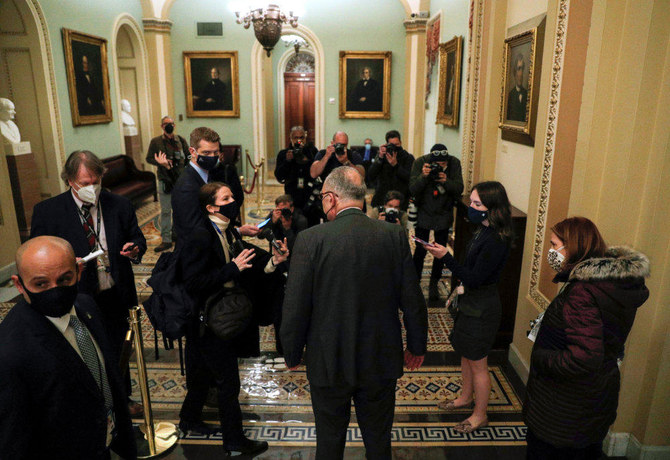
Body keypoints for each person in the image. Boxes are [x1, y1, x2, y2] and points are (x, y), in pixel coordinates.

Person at [281, 167, 427, 459]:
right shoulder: (393, 235)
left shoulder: (310, 239)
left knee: (329, 442)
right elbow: (412, 298)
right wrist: (416, 346)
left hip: (328, 361)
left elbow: (295, 307)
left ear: (332, 199)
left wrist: (293, 353)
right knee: (378, 442)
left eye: (323, 198)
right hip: (380, 359)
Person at [30, 149, 147, 417]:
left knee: (120, 347)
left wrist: (135, 249)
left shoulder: (120, 205)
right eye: (85, 183)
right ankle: (91, 402)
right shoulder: (48, 212)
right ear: (69, 180)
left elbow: (138, 239)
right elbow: (37, 257)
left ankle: (122, 398)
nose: (91, 188)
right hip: (77, 296)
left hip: (116, 291)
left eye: (96, 181)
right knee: (84, 351)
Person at [523, 217, 650, 459]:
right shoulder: (610, 285)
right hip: (593, 399)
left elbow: (584, 357)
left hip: (563, 409)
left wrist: (543, 358)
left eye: (554, 245)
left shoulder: (583, 292)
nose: (550, 251)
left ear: (572, 248)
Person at [0, 236, 137, 459]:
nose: (55, 291)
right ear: (19, 284)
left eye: (64, 279)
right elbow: (13, 442)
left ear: (78, 271)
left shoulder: (86, 305)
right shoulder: (9, 352)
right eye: (41, 284)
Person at [178, 182, 288, 456]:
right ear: (211, 207)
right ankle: (235, 443)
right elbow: (192, 282)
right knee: (229, 383)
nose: (233, 200)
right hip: (207, 322)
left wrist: (273, 261)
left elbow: (248, 264)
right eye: (226, 198)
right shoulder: (200, 236)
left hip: (216, 317)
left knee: (202, 374)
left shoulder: (225, 231)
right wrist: (231, 268)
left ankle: (189, 419)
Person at [424, 181, 513, 434]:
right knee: (466, 353)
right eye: (471, 202)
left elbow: (474, 278)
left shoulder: (496, 239)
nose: (471, 208)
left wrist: (445, 257)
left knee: (479, 363)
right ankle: (465, 397)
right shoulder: (483, 229)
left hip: (482, 308)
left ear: (492, 208)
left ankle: (479, 414)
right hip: (472, 301)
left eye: (477, 204)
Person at [171, 127, 259, 250]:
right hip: (199, 255)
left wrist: (238, 231)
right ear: (192, 151)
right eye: (206, 153)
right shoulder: (186, 187)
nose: (212, 157)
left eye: (216, 152)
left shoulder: (209, 174)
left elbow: (213, 223)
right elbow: (194, 232)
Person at [409, 144, 464, 300]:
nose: (440, 167)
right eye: (437, 165)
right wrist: (423, 176)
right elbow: (413, 189)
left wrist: (446, 181)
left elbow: (459, 188)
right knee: (420, 249)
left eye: (443, 164)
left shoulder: (454, 163)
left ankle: (434, 282)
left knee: (440, 251)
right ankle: (414, 282)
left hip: (443, 213)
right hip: (424, 211)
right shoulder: (420, 162)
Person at [146, 116, 189, 252]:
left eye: (171, 124)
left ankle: (178, 235)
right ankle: (166, 240)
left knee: (180, 210)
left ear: (174, 126)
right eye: (165, 124)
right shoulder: (156, 142)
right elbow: (148, 158)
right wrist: (160, 163)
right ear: (161, 126)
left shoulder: (181, 140)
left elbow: (188, 157)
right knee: (165, 211)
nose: (168, 126)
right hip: (165, 180)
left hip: (180, 180)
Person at [274, 126, 319, 224]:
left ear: (305, 138)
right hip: (292, 196)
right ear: (290, 139)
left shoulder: (312, 151)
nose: (299, 140)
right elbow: (279, 176)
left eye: (302, 137)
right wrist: (287, 161)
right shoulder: (284, 154)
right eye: (296, 138)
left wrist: (307, 158)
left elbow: (317, 172)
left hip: (310, 197)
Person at [368, 130, 414, 210]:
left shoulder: (408, 158)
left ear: (401, 142)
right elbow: (370, 176)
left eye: (397, 144)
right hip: (381, 200)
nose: (395, 148)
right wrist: (380, 158)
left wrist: (396, 165)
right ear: (387, 144)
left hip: (400, 202)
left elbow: (410, 178)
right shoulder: (382, 157)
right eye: (392, 145)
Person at [507, 54, 528, 122]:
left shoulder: (527, 94)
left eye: (522, 69)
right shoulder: (510, 96)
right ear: (514, 72)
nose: (521, 73)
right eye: (519, 69)